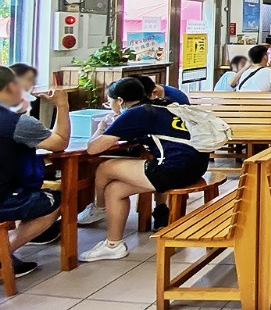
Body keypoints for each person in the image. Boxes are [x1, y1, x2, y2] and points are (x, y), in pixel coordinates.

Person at [77, 77, 212, 261]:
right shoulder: (161, 105)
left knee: (105, 167)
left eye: (110, 103)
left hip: (174, 169)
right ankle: (113, 244)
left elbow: (93, 148)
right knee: (114, 190)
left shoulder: (134, 114)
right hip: (196, 166)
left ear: (120, 101)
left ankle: (98, 208)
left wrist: (102, 127)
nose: (110, 106)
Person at [0, 67, 70, 277]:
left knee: (25, 189)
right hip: (3, 197)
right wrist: (62, 105)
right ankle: (4, 254)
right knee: (54, 201)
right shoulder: (17, 123)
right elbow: (60, 143)